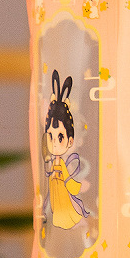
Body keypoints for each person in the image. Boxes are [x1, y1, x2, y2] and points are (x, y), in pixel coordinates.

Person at [42, 70, 87, 230]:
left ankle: (67, 219)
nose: (54, 143)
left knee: (64, 207)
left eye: (60, 137)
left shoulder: (65, 162)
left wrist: (77, 186)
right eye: (50, 136)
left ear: (71, 140)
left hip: (61, 186)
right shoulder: (55, 160)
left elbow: (67, 178)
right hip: (56, 187)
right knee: (58, 206)